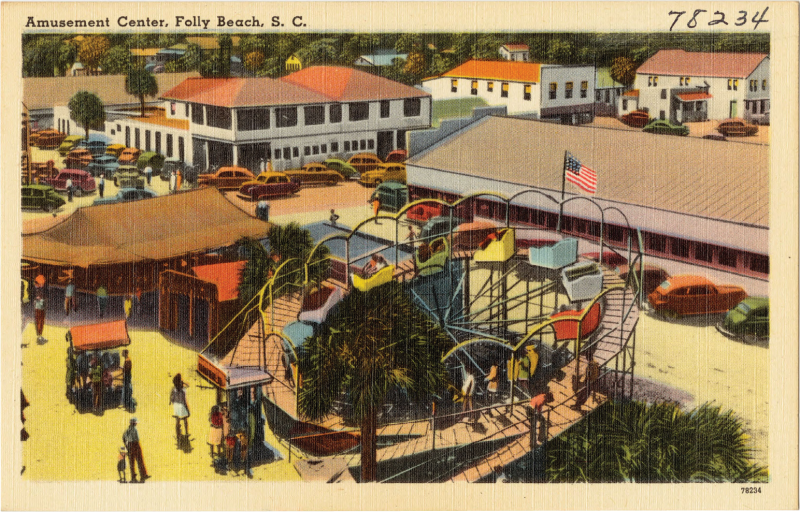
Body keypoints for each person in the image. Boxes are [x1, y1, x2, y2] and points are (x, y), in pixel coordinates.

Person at [123, 417, 149, 482]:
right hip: (134, 445)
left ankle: (139, 476)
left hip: (133, 445)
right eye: (135, 423)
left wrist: (127, 445)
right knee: (136, 460)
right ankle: (139, 476)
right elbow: (124, 437)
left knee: (135, 461)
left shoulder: (130, 429)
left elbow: (124, 438)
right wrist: (127, 445)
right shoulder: (131, 430)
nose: (136, 423)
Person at [170, 373, 190, 439]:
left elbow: (172, 399)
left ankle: (178, 434)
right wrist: (187, 409)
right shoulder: (183, 390)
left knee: (177, 421)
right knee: (185, 419)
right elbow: (184, 401)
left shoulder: (174, 389)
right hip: (181, 405)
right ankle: (186, 432)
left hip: (176, 406)